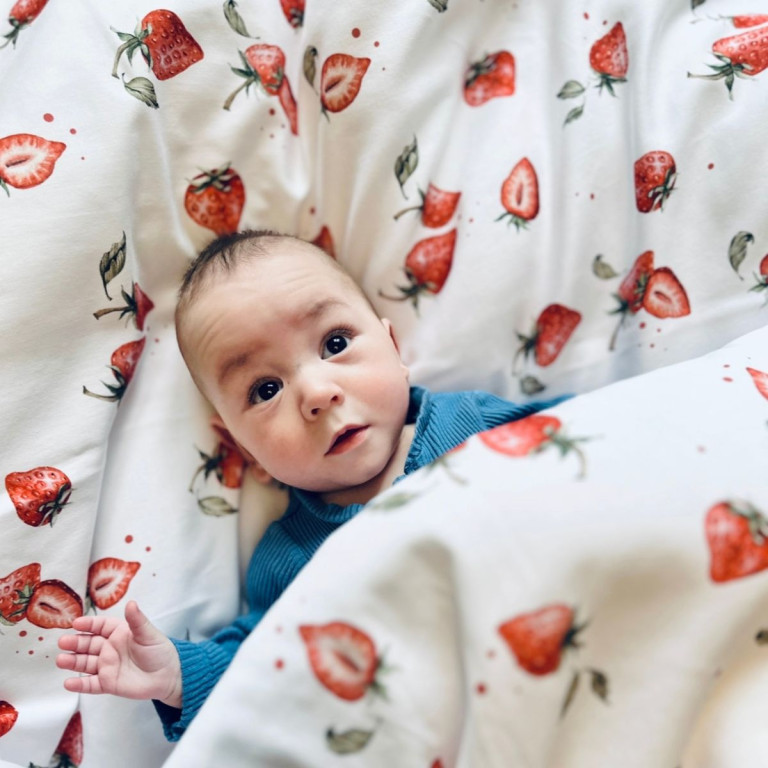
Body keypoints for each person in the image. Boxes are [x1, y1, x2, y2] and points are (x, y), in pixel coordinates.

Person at [56, 229, 567, 741]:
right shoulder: (289, 557)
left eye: (335, 344)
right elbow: (264, 670)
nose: (318, 393)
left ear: (392, 347)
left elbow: (597, 447)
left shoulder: (476, 426)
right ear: (244, 451)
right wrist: (178, 676)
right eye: (266, 389)